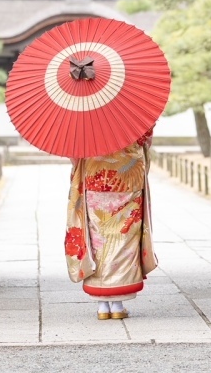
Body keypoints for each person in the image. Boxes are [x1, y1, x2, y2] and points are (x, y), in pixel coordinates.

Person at [64, 128, 157, 320]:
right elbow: (145, 139)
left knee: (97, 240)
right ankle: (117, 304)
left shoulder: (85, 110)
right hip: (128, 176)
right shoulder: (134, 107)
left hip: (95, 176)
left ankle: (103, 306)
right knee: (124, 240)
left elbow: (73, 149)